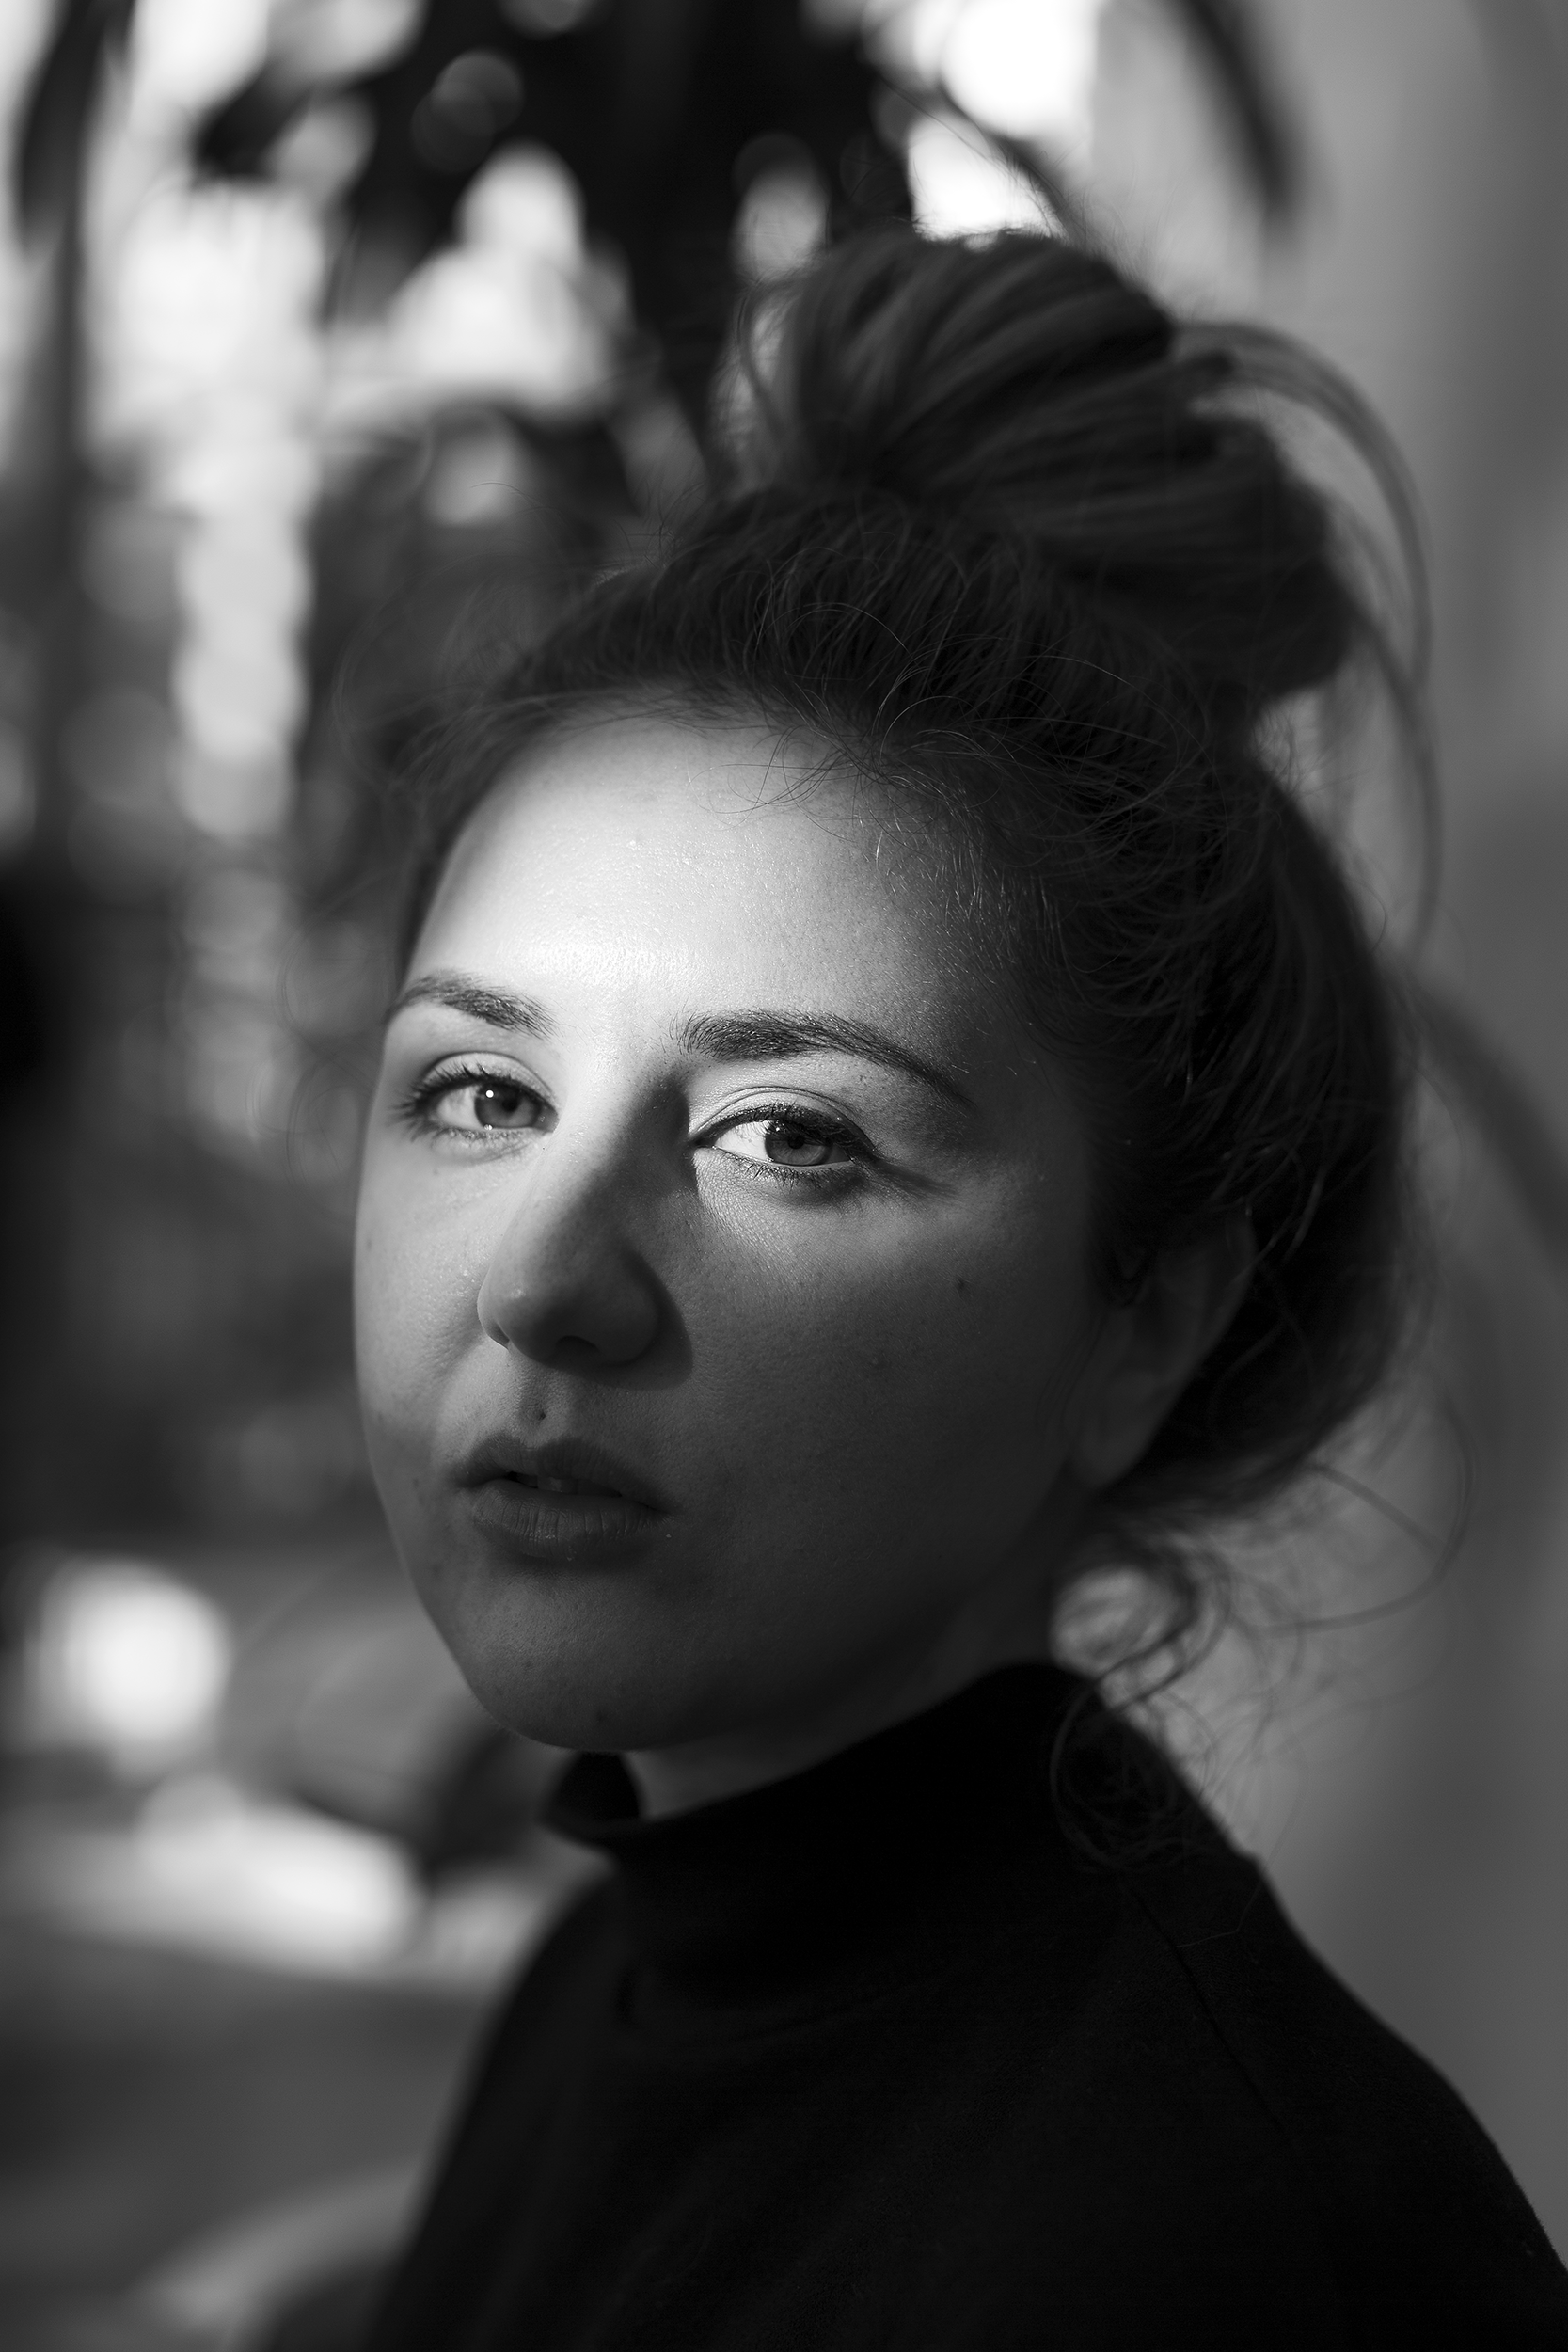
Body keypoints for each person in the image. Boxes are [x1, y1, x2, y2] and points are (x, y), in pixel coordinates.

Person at [353, 230, 1568, 2348]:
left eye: (790, 1137)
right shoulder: (602, 1980)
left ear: (1143, 1324)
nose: (541, 1282)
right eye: (482, 1091)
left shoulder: (1213, 2259)